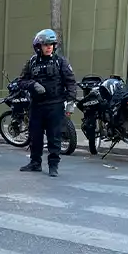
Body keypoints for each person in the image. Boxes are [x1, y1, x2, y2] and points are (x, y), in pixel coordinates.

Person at [18, 29, 77, 177]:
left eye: (51, 44)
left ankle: (53, 165)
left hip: (55, 105)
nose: (48, 47)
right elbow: (21, 81)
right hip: (37, 106)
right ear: (39, 46)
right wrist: (33, 85)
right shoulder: (32, 62)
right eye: (45, 44)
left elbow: (70, 82)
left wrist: (71, 101)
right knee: (35, 136)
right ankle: (35, 163)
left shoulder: (60, 61)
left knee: (54, 136)